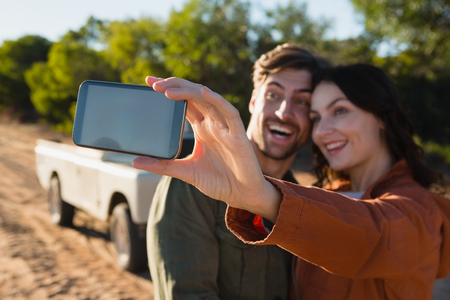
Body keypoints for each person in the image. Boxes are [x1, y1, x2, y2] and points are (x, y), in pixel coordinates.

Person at [133, 64, 450, 299]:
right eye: (317, 117)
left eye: (339, 111)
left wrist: (266, 199)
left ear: (381, 117)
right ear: (254, 101)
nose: (323, 131)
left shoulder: (417, 207)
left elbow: (372, 236)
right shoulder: (322, 194)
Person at [146, 44, 330, 300]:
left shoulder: (303, 199)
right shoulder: (196, 183)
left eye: (301, 101)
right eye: (273, 95)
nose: (283, 113)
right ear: (254, 101)